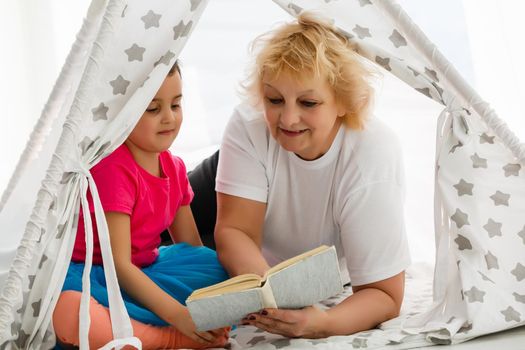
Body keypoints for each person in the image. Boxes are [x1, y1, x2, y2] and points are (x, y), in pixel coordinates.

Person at [213, 13, 411, 338]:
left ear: (344, 102)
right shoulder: (249, 123)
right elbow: (234, 230)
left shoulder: (372, 153)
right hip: (213, 203)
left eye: (308, 102)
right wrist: (272, 295)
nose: (289, 118)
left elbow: (385, 294)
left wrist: (321, 324)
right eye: (274, 100)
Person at [53, 62, 230, 349]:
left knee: (216, 266)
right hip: (96, 275)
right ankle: (167, 339)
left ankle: (154, 327)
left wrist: (224, 295)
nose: (169, 118)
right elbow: (120, 266)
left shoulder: (173, 167)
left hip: (147, 269)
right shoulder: (112, 168)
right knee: (72, 313)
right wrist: (179, 317)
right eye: (153, 109)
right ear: (123, 112)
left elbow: (193, 249)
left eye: (176, 104)